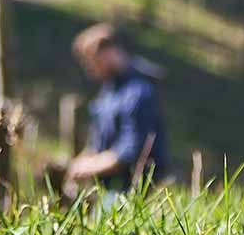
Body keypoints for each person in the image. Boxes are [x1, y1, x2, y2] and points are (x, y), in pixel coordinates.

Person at [62, 23, 167, 195]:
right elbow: (98, 142)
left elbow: (131, 151)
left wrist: (91, 166)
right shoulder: (108, 92)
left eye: (90, 60)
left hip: (132, 190)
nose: (89, 69)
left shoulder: (138, 92)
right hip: (108, 188)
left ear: (108, 52)